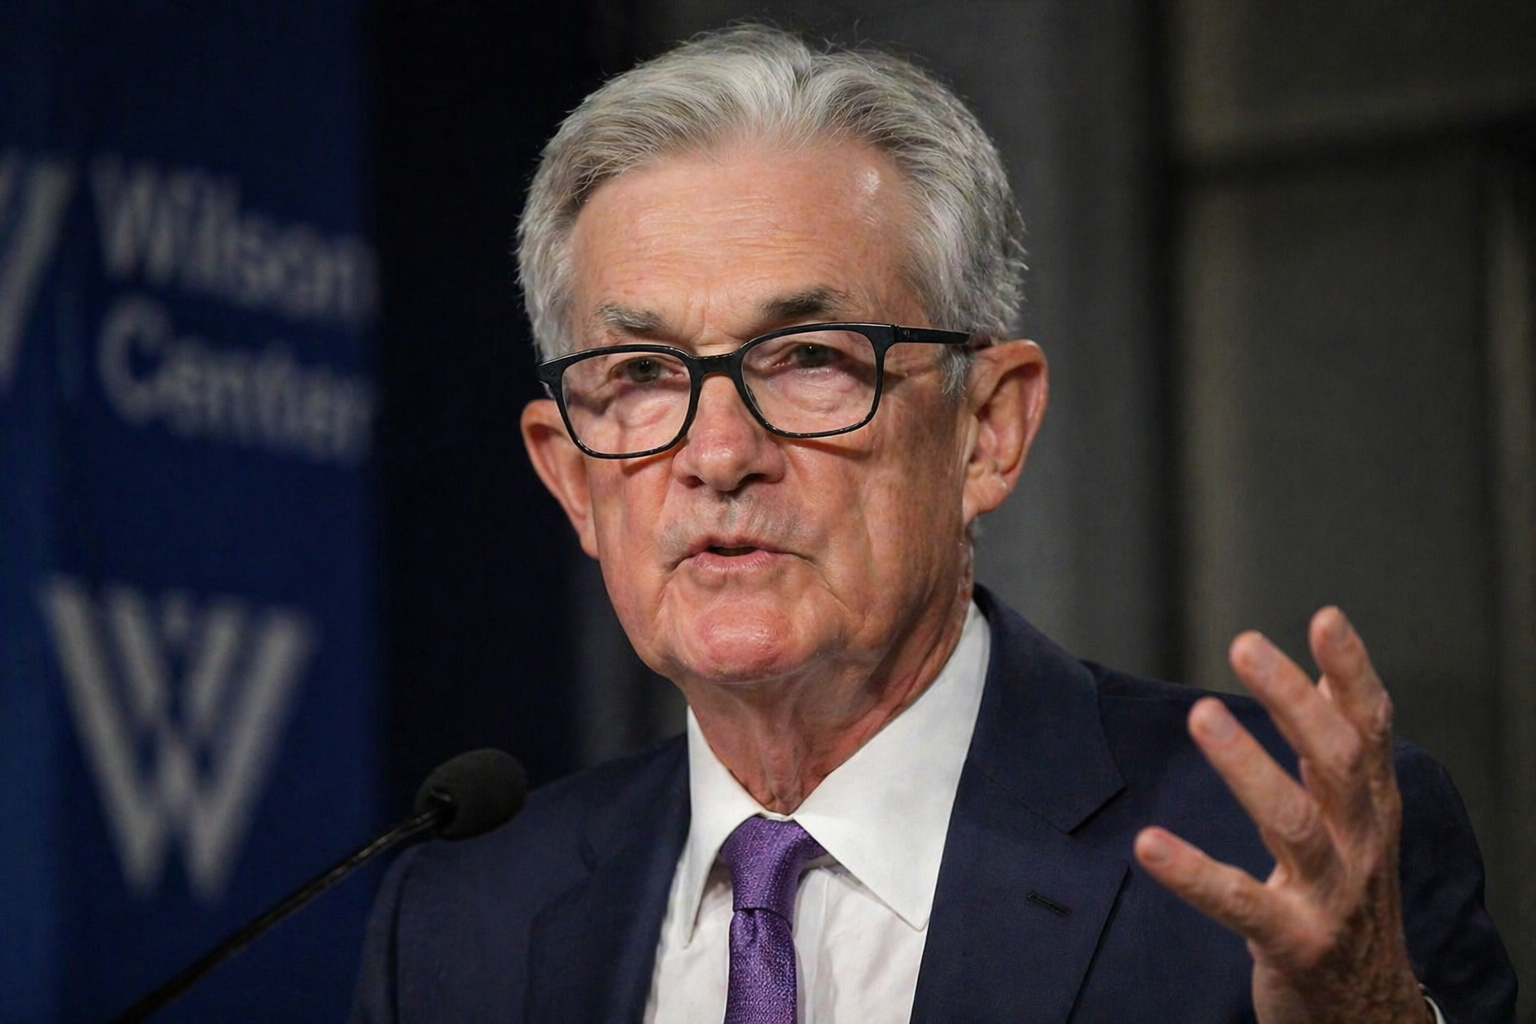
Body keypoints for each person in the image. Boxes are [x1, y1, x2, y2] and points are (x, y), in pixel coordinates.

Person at [352, 25, 1516, 1023]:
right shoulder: (459, 920)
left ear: (988, 430)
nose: (718, 455)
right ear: (572, 478)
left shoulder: (1283, 859)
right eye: (644, 375)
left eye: (808, 358)